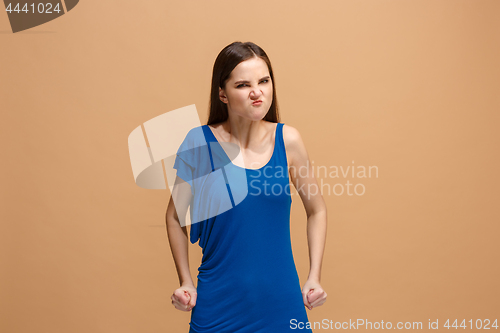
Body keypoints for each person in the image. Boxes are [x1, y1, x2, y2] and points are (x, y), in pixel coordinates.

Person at [165, 41, 327, 332]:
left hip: (281, 303)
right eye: (243, 84)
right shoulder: (199, 143)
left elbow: (317, 210)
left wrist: (314, 276)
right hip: (217, 305)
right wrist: (186, 281)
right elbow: (175, 217)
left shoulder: (288, 141)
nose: (257, 92)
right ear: (222, 94)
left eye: (264, 81)